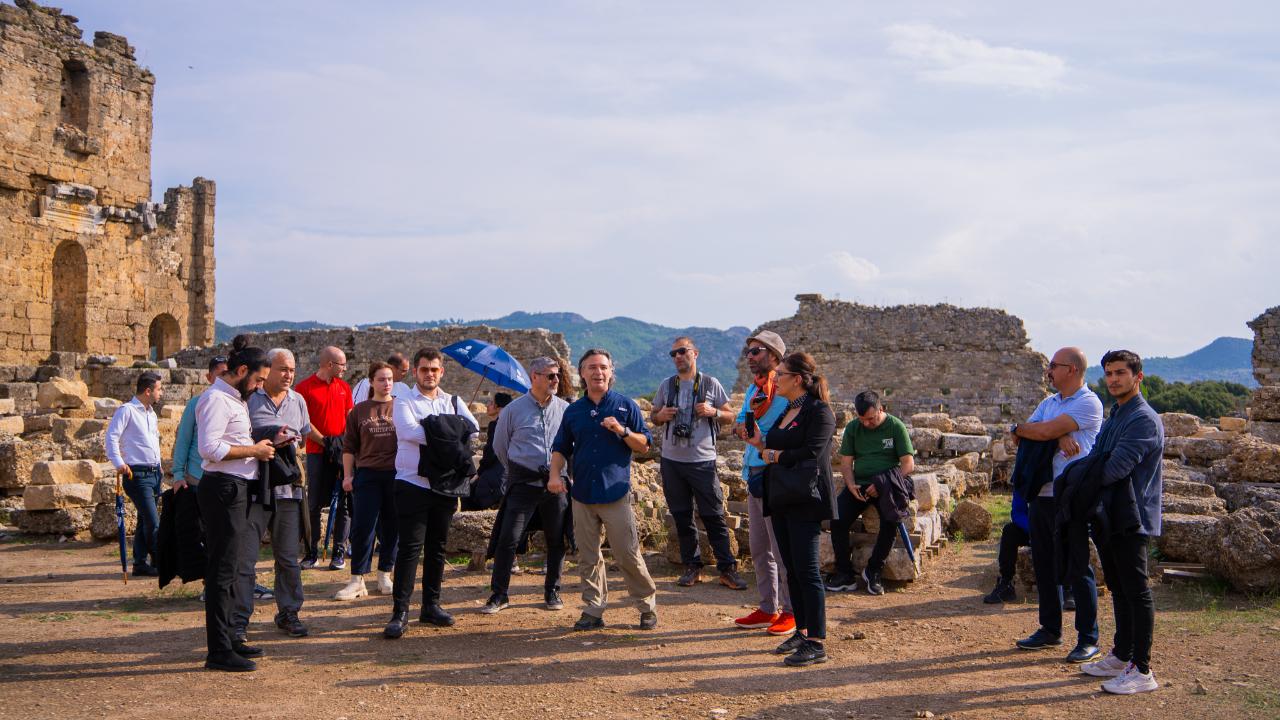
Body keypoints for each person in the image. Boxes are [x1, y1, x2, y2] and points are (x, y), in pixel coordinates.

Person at [549, 348, 658, 631]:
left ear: (611, 372)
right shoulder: (573, 411)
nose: (598, 372)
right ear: (582, 373)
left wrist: (622, 431)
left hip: (615, 493)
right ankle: (593, 609)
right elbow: (560, 447)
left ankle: (646, 606)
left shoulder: (626, 406)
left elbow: (645, 445)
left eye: (603, 367)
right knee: (587, 556)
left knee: (627, 553)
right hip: (582, 494)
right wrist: (553, 475)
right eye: (592, 367)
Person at [1078, 350, 1164, 695]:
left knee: (1137, 590)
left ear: (1137, 376)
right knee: (1119, 587)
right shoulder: (1116, 415)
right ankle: (1121, 654)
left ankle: (1142, 669)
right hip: (1110, 514)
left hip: (1133, 517)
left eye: (1120, 373)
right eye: (1109, 373)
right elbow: (1097, 455)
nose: (1113, 379)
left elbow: (1113, 468)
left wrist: (1084, 475)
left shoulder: (1142, 418)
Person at [1011, 347, 1104, 664]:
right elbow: (1020, 434)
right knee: (1044, 563)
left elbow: (1042, 429)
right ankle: (1050, 629)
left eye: (1054, 366)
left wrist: (1050, 432)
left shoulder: (1088, 402)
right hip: (1042, 493)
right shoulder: (1048, 403)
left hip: (1072, 495)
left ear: (1073, 370)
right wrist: (1054, 435)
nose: (1048, 371)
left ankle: (1089, 638)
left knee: (1077, 565)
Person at [746, 352, 836, 667]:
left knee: (808, 570)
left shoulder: (820, 412)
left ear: (796, 379)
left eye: (781, 373)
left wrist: (771, 457)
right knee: (793, 569)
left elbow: (811, 451)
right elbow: (778, 445)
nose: (776, 378)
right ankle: (803, 629)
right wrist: (760, 444)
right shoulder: (789, 408)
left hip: (805, 499)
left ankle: (817, 642)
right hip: (781, 496)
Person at [383, 348, 479, 639]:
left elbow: (473, 431)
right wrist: (452, 432)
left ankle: (431, 606)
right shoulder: (403, 402)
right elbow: (410, 432)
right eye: (424, 369)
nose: (429, 374)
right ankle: (400, 612)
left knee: (437, 548)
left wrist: (438, 430)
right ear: (415, 372)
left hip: (445, 485)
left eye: (434, 370)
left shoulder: (454, 401)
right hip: (412, 482)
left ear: (441, 372)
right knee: (410, 548)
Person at [194, 336, 277, 672]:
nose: (258, 388)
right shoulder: (216, 399)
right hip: (222, 488)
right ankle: (218, 650)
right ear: (242, 370)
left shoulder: (235, 398)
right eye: (257, 380)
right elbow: (210, 449)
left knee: (233, 564)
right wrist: (255, 450)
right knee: (222, 570)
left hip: (236, 487)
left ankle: (230, 638)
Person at [650, 337, 746, 591]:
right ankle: (692, 567)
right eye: (673, 353)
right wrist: (660, 416)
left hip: (702, 461)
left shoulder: (710, 384)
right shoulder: (666, 385)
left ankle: (727, 569)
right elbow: (653, 416)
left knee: (713, 515)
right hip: (672, 462)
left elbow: (730, 415)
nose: (678, 356)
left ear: (695, 354)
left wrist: (713, 412)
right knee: (682, 516)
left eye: (682, 351)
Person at [480, 357, 570, 614]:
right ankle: (499, 594)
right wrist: (515, 471)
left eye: (557, 375)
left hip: (555, 484)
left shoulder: (564, 409)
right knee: (508, 538)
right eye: (550, 375)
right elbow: (500, 447)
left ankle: (552, 591)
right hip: (523, 483)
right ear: (534, 376)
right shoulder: (512, 410)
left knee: (556, 539)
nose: (555, 380)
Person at [241, 348, 311, 639]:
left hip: (287, 491)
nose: (289, 375)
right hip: (255, 487)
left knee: (287, 556)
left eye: (292, 370)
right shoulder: (248, 399)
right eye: (283, 369)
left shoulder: (298, 401)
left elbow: (304, 439)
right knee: (245, 557)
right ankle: (239, 618)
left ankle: (289, 612)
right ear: (267, 369)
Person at [731, 331, 794, 636]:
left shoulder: (785, 393)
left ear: (773, 355)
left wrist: (757, 438)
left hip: (775, 475)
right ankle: (769, 607)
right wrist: (740, 429)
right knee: (759, 547)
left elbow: (786, 435)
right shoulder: (752, 392)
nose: (750, 357)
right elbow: (744, 421)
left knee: (781, 547)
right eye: (748, 352)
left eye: (756, 352)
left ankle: (791, 611)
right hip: (753, 473)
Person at [827, 390, 916, 596]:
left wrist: (884, 483)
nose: (866, 423)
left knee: (890, 521)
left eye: (871, 419)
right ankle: (844, 573)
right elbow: (846, 463)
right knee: (837, 518)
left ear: (880, 409)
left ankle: (873, 569)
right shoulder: (853, 428)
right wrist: (850, 485)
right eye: (862, 419)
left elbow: (908, 464)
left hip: (887, 485)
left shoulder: (895, 426)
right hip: (860, 485)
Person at [335, 361, 400, 601]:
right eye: (382, 379)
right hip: (368, 474)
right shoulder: (360, 410)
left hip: (395, 475)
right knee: (363, 527)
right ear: (371, 382)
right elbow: (349, 446)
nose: (387, 384)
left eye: (390, 379)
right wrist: (348, 475)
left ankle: (385, 574)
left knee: (392, 527)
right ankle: (357, 579)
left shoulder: (401, 407)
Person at [297, 346, 354, 569]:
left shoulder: (344, 387)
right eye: (342, 364)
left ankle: (338, 550)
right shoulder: (305, 388)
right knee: (313, 504)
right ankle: (312, 551)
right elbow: (305, 422)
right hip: (317, 453)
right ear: (329, 364)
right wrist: (327, 443)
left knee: (344, 503)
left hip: (340, 453)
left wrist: (341, 445)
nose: (345, 368)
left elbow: (349, 416)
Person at [105, 372, 164, 577]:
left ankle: (140, 563)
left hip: (154, 472)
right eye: (159, 389)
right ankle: (162, 562)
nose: (161, 393)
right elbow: (111, 437)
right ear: (148, 390)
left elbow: (152, 441)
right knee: (153, 521)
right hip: (137, 474)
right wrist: (119, 463)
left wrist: (160, 467)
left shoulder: (151, 414)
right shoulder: (127, 411)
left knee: (144, 519)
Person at [173, 356, 228, 493]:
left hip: (226, 479)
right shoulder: (196, 404)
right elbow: (183, 440)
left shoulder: (238, 404)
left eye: (228, 374)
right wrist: (178, 475)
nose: (226, 379)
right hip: (197, 477)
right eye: (221, 375)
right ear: (209, 377)